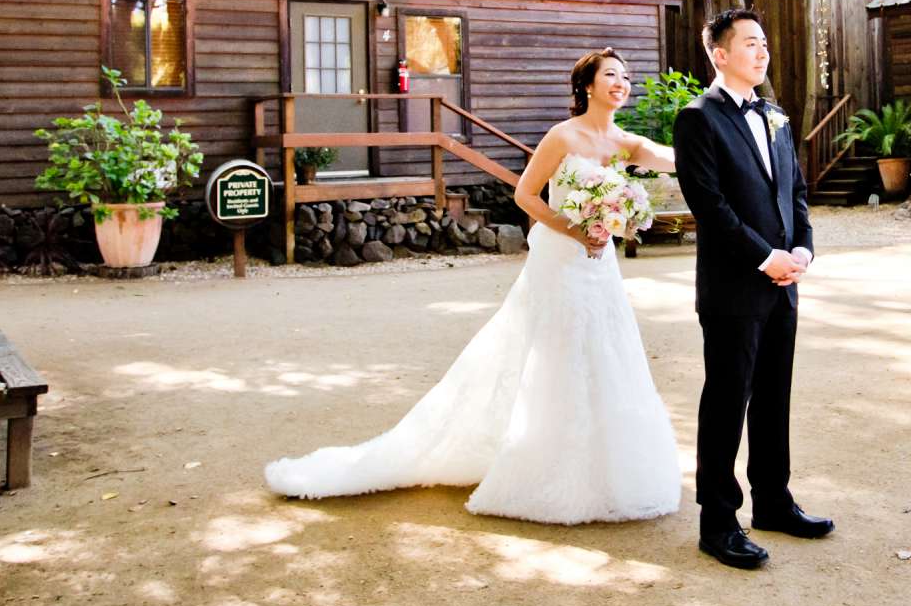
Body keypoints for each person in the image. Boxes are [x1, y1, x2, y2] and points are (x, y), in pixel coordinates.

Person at [263, 49, 682, 524]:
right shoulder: (562, 136)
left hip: (599, 264)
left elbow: (672, 158)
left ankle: (608, 471)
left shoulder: (626, 142)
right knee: (556, 354)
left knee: (607, 352)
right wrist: (572, 227)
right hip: (561, 259)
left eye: (626, 77)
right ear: (588, 85)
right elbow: (525, 193)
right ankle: (542, 467)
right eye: (611, 75)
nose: (621, 83)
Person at [670, 7, 831, 570]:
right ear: (719, 54)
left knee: (773, 397)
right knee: (726, 403)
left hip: (785, 285)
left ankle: (774, 500)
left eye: (764, 44)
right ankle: (717, 521)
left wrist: (803, 250)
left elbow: (797, 194)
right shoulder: (698, 118)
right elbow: (710, 207)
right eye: (749, 44)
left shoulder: (778, 117)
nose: (761, 52)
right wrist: (767, 259)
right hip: (735, 287)